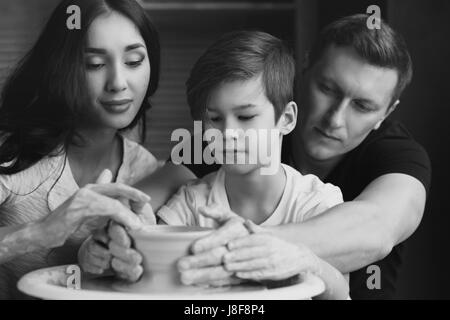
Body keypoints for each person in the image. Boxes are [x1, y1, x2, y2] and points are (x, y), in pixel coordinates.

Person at [173, 14, 432, 299]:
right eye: (327, 89)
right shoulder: (232, 138)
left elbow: (378, 229)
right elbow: (152, 200)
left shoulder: (397, 153)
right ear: (304, 68)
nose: (335, 118)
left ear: (387, 112)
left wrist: (241, 248)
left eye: (362, 106)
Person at [81, 31, 350, 299]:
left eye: (245, 116)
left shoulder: (316, 204)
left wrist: (307, 262)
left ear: (287, 119)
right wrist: (109, 246)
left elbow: (340, 294)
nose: (228, 133)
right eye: (215, 118)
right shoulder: (191, 204)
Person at [0, 0, 162, 299]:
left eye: (134, 61)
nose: (118, 82)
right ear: (61, 67)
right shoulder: (11, 152)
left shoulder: (148, 171)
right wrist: (40, 232)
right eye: (95, 65)